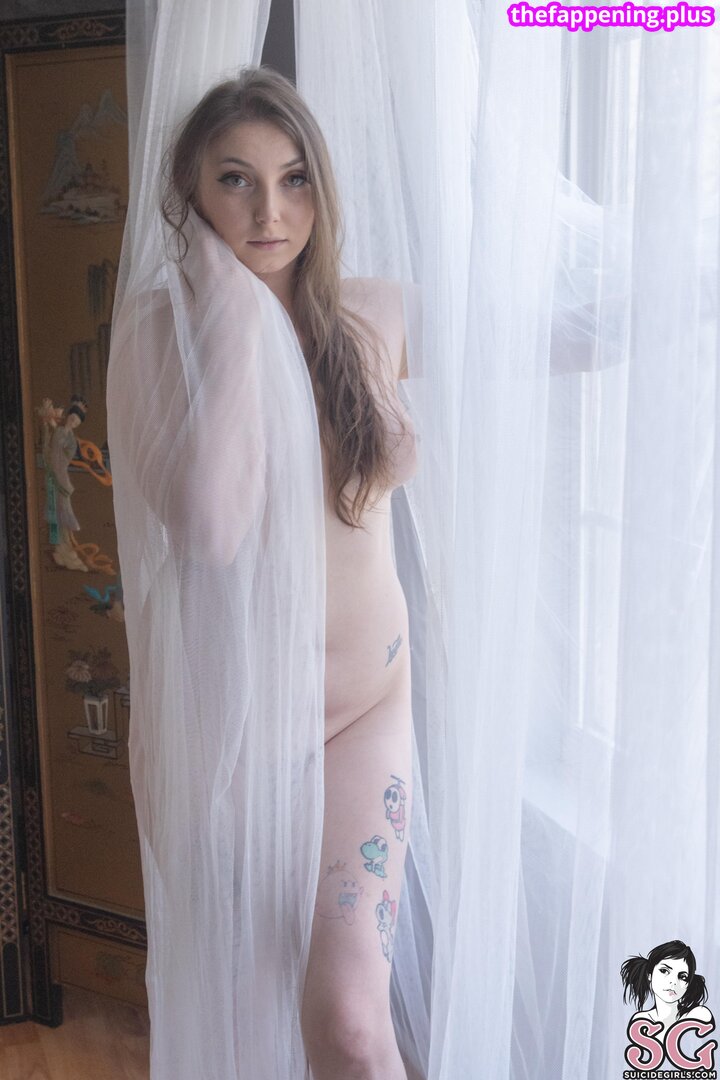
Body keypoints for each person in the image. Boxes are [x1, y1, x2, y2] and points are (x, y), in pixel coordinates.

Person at [108, 65, 425, 1080]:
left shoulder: (376, 314)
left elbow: (539, 329)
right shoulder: (156, 339)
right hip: (232, 734)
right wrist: (236, 317)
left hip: (362, 713)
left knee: (352, 1026)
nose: (269, 211)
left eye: (294, 179)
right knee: (249, 1022)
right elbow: (211, 526)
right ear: (191, 195)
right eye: (235, 180)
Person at [621, 940, 713, 1064]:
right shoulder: (641, 1020)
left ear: (688, 984)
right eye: (664, 971)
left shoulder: (699, 1015)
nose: (673, 982)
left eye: (682, 977)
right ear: (649, 975)